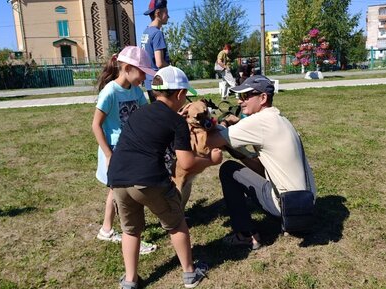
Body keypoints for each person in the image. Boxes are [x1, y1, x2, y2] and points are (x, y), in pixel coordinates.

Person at [108, 66, 222, 289]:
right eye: (186, 94)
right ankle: (190, 274)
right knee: (176, 222)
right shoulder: (177, 121)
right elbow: (187, 162)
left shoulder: (139, 112)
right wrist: (211, 161)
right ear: (179, 94)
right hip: (149, 179)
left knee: (131, 230)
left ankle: (130, 280)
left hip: (118, 178)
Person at [209, 75, 317, 250]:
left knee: (228, 169)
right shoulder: (280, 118)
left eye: (245, 96)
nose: (240, 101)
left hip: (286, 207)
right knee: (240, 168)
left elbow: (212, 141)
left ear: (263, 98)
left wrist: (222, 124)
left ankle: (245, 235)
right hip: (306, 204)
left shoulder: (259, 121)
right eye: (239, 96)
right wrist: (238, 149)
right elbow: (261, 169)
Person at [92, 46, 158, 255]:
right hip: (114, 151)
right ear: (128, 68)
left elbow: (144, 116)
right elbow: (96, 125)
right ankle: (129, 235)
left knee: (116, 191)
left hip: (129, 149)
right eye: (142, 73)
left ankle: (106, 229)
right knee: (125, 194)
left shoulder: (136, 91)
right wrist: (109, 155)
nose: (144, 78)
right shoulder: (110, 92)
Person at [141, 0, 170, 102]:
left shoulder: (146, 32)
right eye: (166, 12)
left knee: (157, 112)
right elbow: (159, 63)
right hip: (159, 81)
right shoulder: (157, 33)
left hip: (148, 81)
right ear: (158, 13)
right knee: (164, 114)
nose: (168, 16)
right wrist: (172, 69)